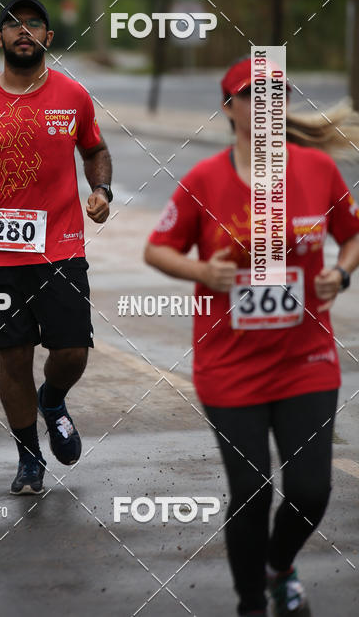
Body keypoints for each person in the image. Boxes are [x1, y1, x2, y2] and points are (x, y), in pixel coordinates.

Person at [144, 56, 359, 617]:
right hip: (228, 366)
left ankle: (279, 566)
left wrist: (341, 272)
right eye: (251, 95)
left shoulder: (317, 172)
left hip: (306, 359)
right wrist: (202, 273)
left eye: (275, 93)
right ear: (229, 109)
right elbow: (157, 248)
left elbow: (352, 234)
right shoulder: (205, 180)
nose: (265, 104)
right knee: (254, 492)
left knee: (311, 492)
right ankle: (251, 606)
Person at [0, 0, 112, 495]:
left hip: (61, 247)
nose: (23, 30)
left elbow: (95, 149)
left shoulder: (73, 95)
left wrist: (100, 189)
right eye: (13, 24)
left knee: (73, 350)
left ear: (48, 38)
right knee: (12, 358)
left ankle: (53, 399)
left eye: (34, 24)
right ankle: (29, 459)